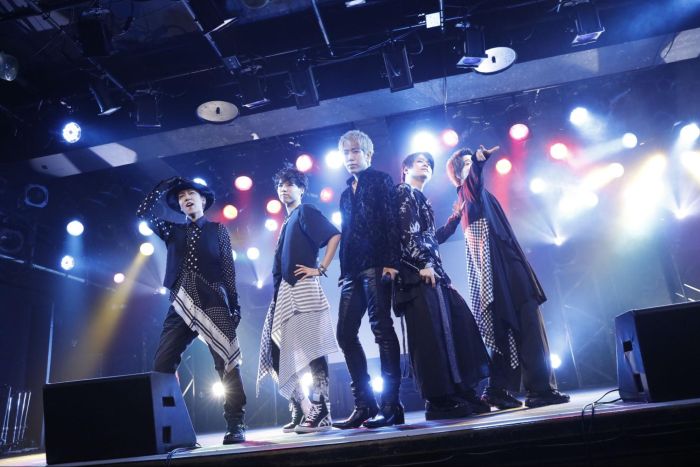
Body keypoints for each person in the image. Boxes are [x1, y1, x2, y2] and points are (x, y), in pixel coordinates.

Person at [445, 146, 570, 409]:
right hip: (503, 271)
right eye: (465, 164)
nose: (470, 166)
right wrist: (478, 161)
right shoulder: (468, 192)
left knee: (506, 329)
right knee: (527, 325)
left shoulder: (471, 199)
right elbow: (473, 181)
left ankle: (496, 389)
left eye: (470, 162)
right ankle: (539, 390)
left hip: (503, 270)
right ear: (458, 175)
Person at [136, 177, 246, 444]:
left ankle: (235, 422)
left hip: (213, 299)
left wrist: (234, 305)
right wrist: (163, 185)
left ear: (203, 200)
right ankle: (169, 426)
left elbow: (228, 271)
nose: (186, 198)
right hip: (181, 303)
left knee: (226, 362)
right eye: (181, 196)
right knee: (162, 365)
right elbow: (143, 213)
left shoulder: (218, 230)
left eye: (191, 194)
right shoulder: (172, 230)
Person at [394, 152, 491, 420]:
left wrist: (452, 221)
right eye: (419, 161)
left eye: (429, 163)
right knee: (430, 338)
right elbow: (406, 233)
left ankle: (460, 391)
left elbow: (430, 239)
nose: (426, 164)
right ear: (405, 169)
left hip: (434, 273)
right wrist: (422, 263)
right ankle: (437, 400)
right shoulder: (403, 192)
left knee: (457, 327)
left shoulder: (420, 199)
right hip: (417, 274)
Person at [256, 167, 341, 434]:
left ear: (301, 189)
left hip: (302, 288)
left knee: (314, 349)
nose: (284, 188)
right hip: (283, 293)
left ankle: (322, 408)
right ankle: (302, 405)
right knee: (275, 352)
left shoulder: (305, 211)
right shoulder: (287, 221)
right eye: (280, 185)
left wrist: (321, 268)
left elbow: (334, 234)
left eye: (290, 184)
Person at [332, 130, 404, 429]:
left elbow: (391, 221)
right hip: (352, 270)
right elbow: (347, 232)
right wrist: (343, 270)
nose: (350, 157)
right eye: (345, 153)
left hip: (377, 265)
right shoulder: (345, 193)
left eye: (355, 151)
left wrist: (391, 262)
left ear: (368, 154)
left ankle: (391, 405)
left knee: (381, 329)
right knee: (344, 334)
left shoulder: (380, 180)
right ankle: (364, 404)